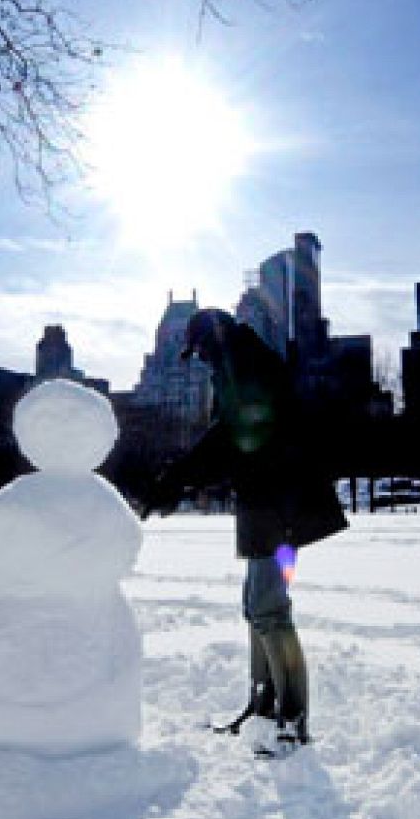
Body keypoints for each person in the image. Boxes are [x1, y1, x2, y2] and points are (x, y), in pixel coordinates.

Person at [141, 308, 348, 754]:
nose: (198, 359)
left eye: (198, 350)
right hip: (265, 502)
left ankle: (292, 719)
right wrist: (181, 480)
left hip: (282, 503)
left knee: (269, 608)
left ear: (210, 339)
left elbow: (233, 435)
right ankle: (264, 704)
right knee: (257, 606)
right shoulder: (239, 360)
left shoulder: (245, 362)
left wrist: (177, 478)